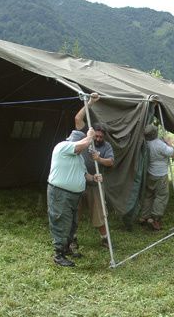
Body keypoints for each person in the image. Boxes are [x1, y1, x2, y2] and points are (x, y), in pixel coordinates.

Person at [47, 127, 102, 267]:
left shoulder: (78, 158)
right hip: (60, 193)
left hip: (74, 195)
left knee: (72, 223)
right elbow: (81, 145)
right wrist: (90, 136)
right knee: (61, 221)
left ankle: (66, 248)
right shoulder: (63, 146)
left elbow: (84, 175)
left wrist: (94, 178)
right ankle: (58, 255)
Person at [74, 94, 115, 248]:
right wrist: (90, 103)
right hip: (78, 181)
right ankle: (73, 239)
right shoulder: (86, 136)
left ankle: (105, 239)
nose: (97, 139)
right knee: (74, 213)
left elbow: (111, 162)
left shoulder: (106, 147)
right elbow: (78, 119)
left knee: (100, 214)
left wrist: (99, 159)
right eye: (96, 136)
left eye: (100, 137)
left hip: (94, 184)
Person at [139, 124, 174, 231]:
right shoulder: (159, 144)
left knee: (149, 195)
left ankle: (144, 216)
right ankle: (155, 218)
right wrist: (169, 144)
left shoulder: (145, 144)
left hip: (150, 173)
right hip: (160, 174)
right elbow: (171, 153)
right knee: (161, 196)